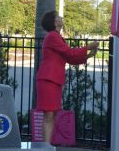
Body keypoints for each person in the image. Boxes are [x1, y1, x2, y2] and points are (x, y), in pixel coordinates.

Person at [36, 11, 98, 144]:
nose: (61, 18)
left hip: (52, 80)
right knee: (49, 115)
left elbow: (70, 58)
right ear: (53, 22)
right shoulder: (53, 36)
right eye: (58, 17)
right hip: (48, 79)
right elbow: (70, 53)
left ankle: (47, 149)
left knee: (51, 115)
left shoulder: (56, 37)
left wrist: (88, 55)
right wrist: (88, 46)